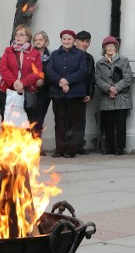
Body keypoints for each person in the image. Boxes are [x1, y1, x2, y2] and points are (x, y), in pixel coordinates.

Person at [46, 29, 87, 158]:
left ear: (74, 41)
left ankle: (71, 149)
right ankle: (60, 149)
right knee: (59, 121)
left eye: (69, 39)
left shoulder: (80, 54)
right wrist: (60, 81)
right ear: (61, 40)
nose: (66, 41)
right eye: (64, 39)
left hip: (74, 93)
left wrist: (67, 81)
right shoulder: (54, 55)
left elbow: (82, 71)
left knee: (73, 122)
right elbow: (49, 70)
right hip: (58, 93)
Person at [95, 36, 133, 155]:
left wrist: (115, 88)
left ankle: (119, 148)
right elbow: (97, 79)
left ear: (116, 48)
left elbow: (128, 78)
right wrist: (109, 88)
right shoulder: (99, 63)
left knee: (121, 124)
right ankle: (109, 147)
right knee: (108, 124)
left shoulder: (124, 60)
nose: (110, 48)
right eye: (107, 46)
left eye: (112, 46)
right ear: (104, 48)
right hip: (106, 97)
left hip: (122, 97)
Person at [0, 24, 42, 124]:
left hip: (26, 92)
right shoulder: (8, 51)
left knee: (25, 122)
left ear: (28, 37)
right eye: (16, 34)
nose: (18, 37)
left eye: (21, 34)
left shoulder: (34, 53)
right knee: (7, 122)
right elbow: (3, 68)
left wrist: (23, 83)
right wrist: (14, 82)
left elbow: (37, 72)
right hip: (8, 91)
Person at [74, 30, 95, 154]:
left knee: (80, 120)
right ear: (76, 41)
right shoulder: (71, 54)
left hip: (83, 93)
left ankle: (78, 145)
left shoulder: (89, 58)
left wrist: (90, 93)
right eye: (82, 41)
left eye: (87, 41)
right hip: (70, 93)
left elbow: (92, 77)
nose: (85, 44)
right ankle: (67, 146)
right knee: (67, 120)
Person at [31, 30, 51, 153]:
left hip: (45, 90)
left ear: (46, 41)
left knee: (39, 118)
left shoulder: (51, 56)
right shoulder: (30, 54)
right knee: (30, 118)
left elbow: (53, 71)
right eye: (36, 40)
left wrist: (45, 80)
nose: (38, 42)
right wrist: (34, 81)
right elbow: (26, 70)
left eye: (40, 39)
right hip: (31, 90)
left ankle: (37, 144)